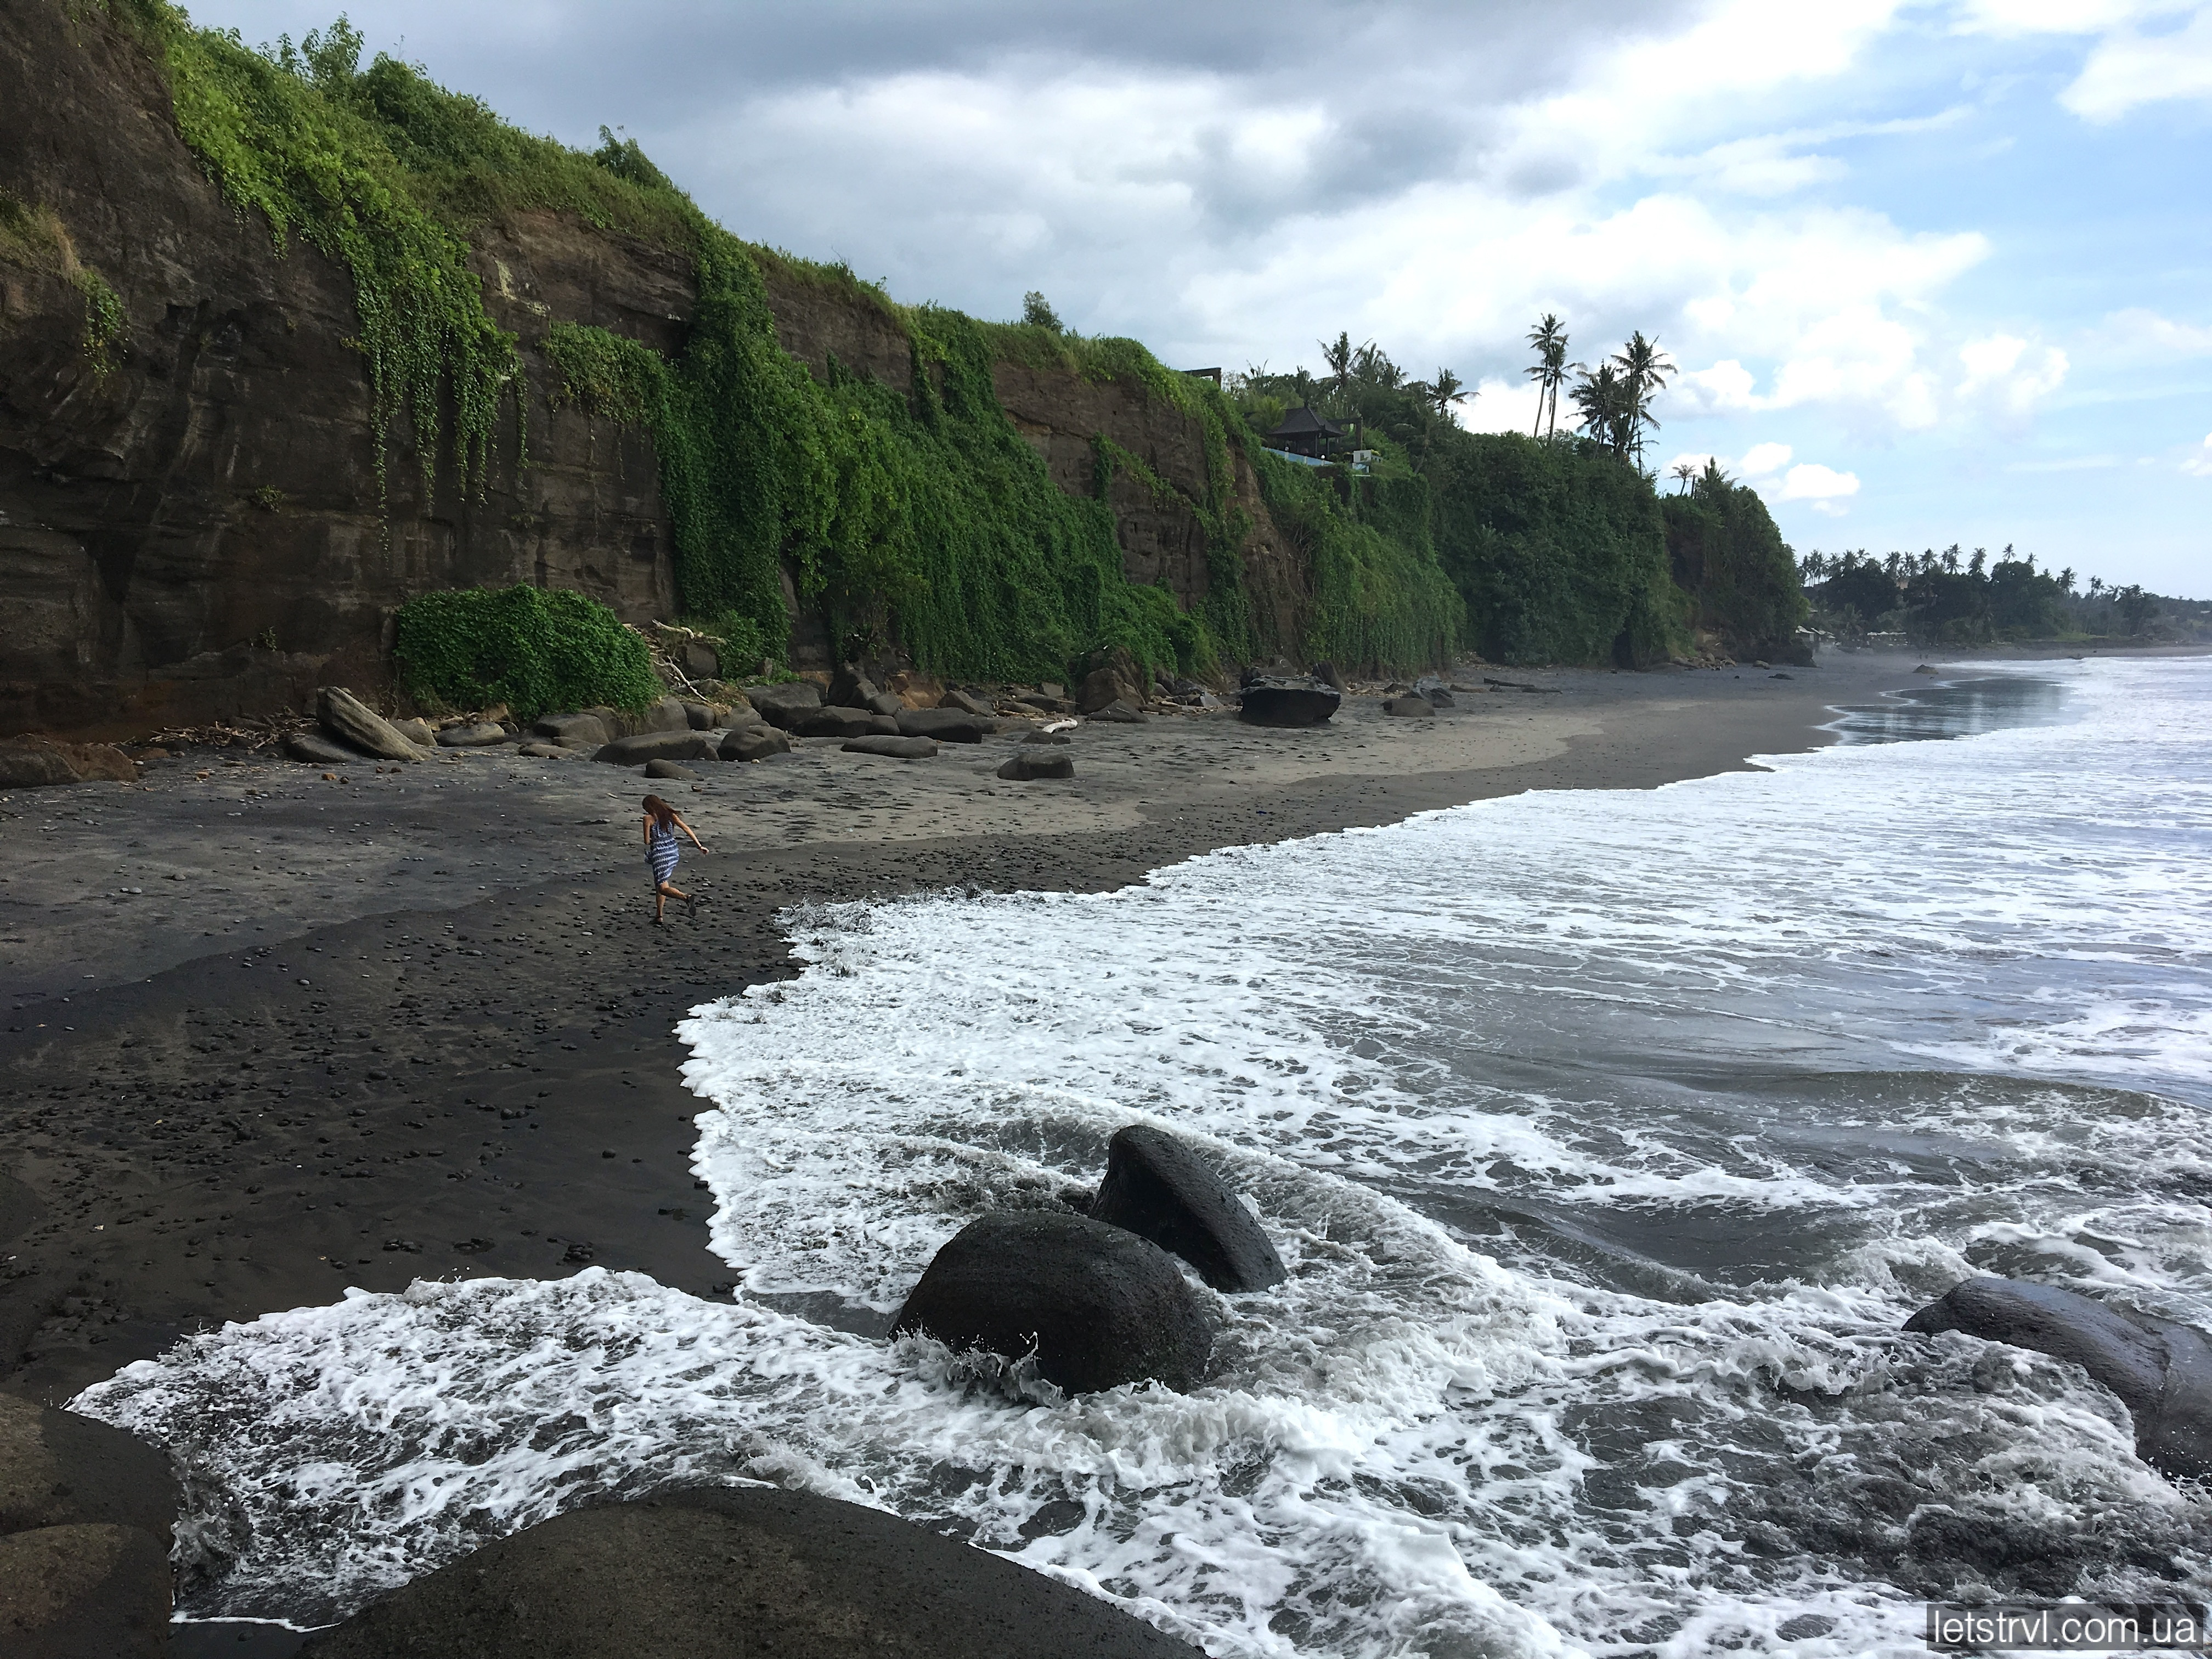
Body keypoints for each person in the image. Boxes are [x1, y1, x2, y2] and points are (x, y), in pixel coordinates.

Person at [641, 794, 709, 923]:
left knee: (662, 888)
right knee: (661, 882)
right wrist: (699, 846)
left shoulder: (647, 819)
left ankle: (686, 898)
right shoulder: (670, 815)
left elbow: (647, 841)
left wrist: (655, 838)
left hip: (660, 854)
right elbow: (686, 829)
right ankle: (659, 916)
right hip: (673, 852)